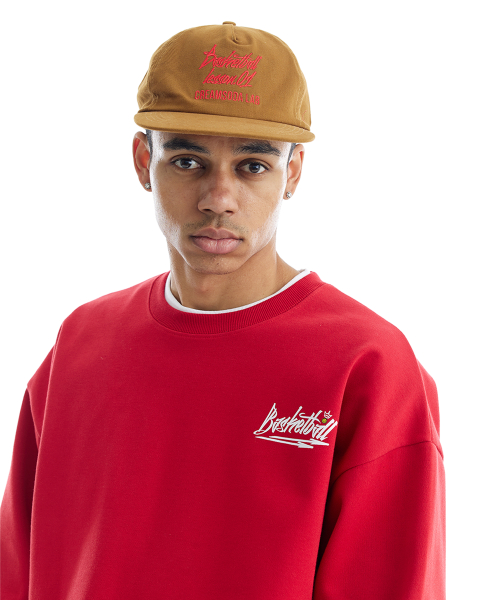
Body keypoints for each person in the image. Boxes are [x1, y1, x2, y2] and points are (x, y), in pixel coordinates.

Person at [0, 22, 445, 600]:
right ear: (143, 161)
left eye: (252, 165)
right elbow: (17, 569)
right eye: (188, 161)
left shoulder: (367, 363)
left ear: (293, 172)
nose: (218, 198)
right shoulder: (82, 342)